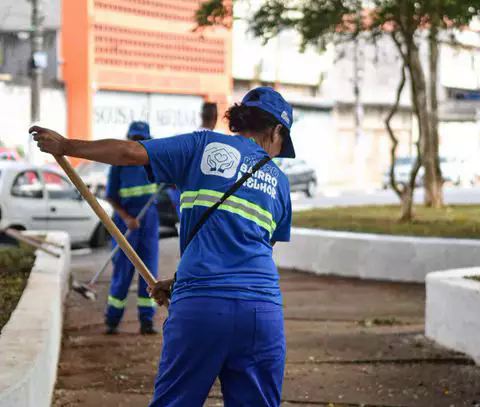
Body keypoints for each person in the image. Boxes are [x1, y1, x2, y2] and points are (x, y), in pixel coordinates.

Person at [30, 86, 294, 406]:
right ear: (277, 130)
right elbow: (250, 250)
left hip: (201, 307)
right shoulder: (279, 182)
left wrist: (67, 145)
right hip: (261, 312)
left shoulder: (203, 145)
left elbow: (130, 153)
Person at [104, 121, 159, 335]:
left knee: (149, 272)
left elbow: (170, 181)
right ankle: (112, 320)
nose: (138, 143)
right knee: (123, 272)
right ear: (128, 138)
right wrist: (126, 217)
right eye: (135, 139)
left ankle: (147, 321)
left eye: (142, 139)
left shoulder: (153, 161)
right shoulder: (119, 164)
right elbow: (110, 195)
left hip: (149, 220)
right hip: (126, 222)